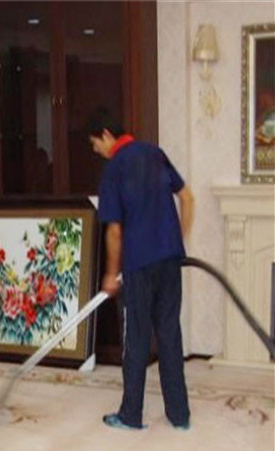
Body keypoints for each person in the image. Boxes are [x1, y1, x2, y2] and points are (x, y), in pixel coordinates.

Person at [85, 106, 194, 431]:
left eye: (95, 144)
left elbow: (114, 231)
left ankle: (131, 415)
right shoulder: (154, 153)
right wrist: (177, 241)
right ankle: (180, 416)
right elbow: (188, 198)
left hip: (138, 266)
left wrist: (110, 273)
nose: (97, 151)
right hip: (170, 260)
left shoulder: (113, 169)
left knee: (136, 339)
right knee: (169, 334)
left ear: (106, 135)